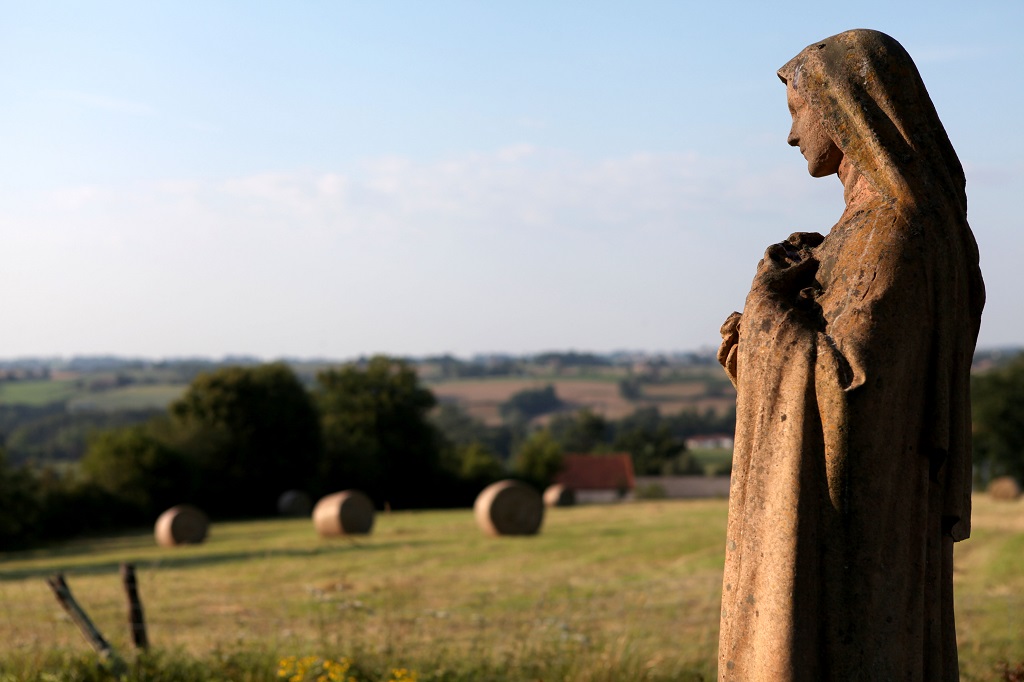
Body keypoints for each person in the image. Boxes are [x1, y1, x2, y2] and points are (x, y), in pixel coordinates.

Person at [716, 29, 984, 681]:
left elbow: (854, 387)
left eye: (794, 113)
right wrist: (757, 339)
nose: (789, 138)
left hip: (861, 535)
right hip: (856, 524)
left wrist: (768, 314)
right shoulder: (859, 230)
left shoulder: (895, 233)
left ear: (841, 108)